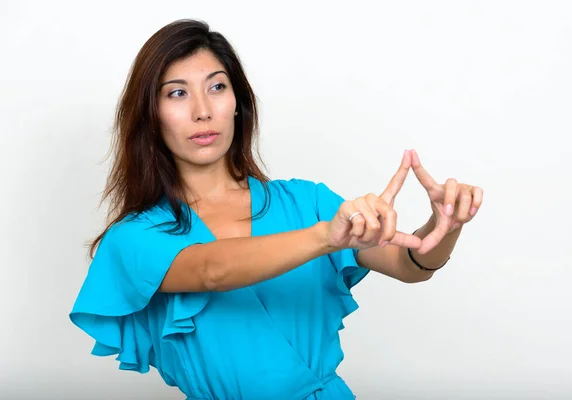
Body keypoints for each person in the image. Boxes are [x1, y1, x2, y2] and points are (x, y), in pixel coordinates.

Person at [69, 19, 483, 400]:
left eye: (216, 87)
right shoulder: (135, 237)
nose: (202, 110)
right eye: (177, 93)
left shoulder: (306, 201)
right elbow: (209, 270)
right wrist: (324, 237)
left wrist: (445, 226)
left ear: (237, 101)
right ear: (151, 115)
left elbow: (410, 264)